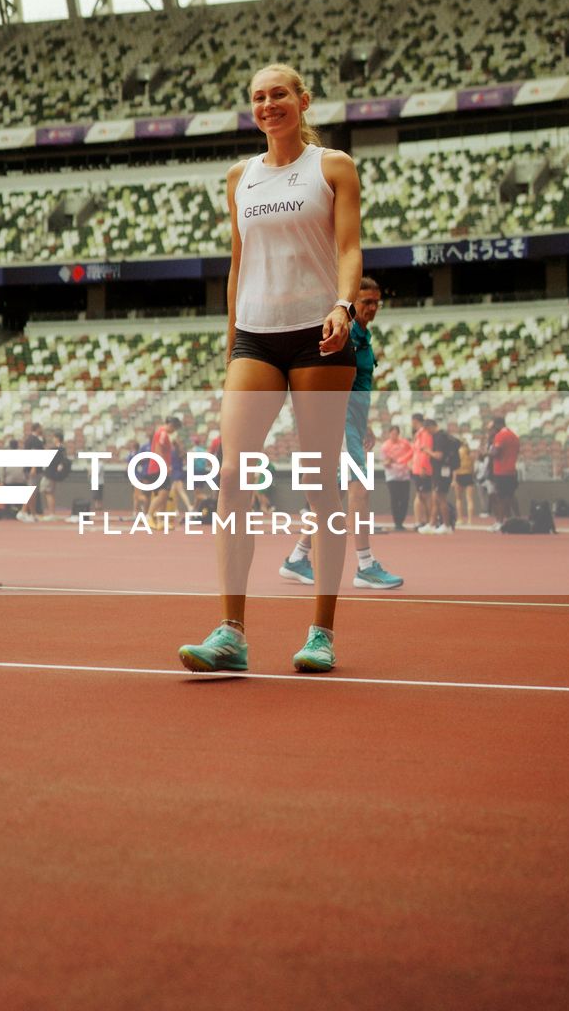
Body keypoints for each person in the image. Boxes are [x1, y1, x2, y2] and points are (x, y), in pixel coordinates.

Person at [179, 62, 362, 676]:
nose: (268, 104)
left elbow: (349, 248)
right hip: (256, 337)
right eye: (258, 97)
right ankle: (231, 632)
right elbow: (238, 264)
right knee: (233, 474)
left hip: (319, 336)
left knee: (320, 482)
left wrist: (343, 306)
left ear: (303, 100)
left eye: (279, 93)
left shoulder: (333, 167)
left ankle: (321, 633)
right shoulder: (240, 177)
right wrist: (232, 340)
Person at [279, 277, 402, 590]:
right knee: (360, 485)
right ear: (352, 303)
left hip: (353, 422)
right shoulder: (342, 333)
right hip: (340, 418)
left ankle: (297, 557)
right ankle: (365, 565)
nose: (373, 308)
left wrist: (364, 424)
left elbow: (358, 384)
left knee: (333, 494)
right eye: (366, 302)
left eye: (376, 302)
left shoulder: (364, 336)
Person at [486, 415, 522, 526]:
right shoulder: (514, 435)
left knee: (500, 497)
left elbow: (495, 453)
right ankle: (516, 519)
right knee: (510, 496)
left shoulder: (500, 435)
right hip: (511, 469)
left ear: (498, 425)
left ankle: (500, 522)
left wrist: (486, 453)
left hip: (501, 470)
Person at [381, 421, 413, 530]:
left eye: (396, 434)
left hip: (404, 475)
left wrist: (410, 464)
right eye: (392, 433)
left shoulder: (405, 443)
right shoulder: (385, 446)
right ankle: (397, 522)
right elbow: (384, 461)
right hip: (392, 476)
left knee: (405, 499)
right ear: (389, 434)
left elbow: (411, 454)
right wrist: (388, 462)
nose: (394, 436)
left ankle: (401, 520)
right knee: (395, 498)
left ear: (398, 434)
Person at [453, 426, 480, 525]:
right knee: (470, 499)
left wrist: (453, 480)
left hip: (459, 475)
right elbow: (473, 468)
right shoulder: (470, 454)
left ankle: (460, 519)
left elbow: (455, 467)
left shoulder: (456, 453)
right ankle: (470, 520)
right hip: (468, 476)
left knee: (459, 499)